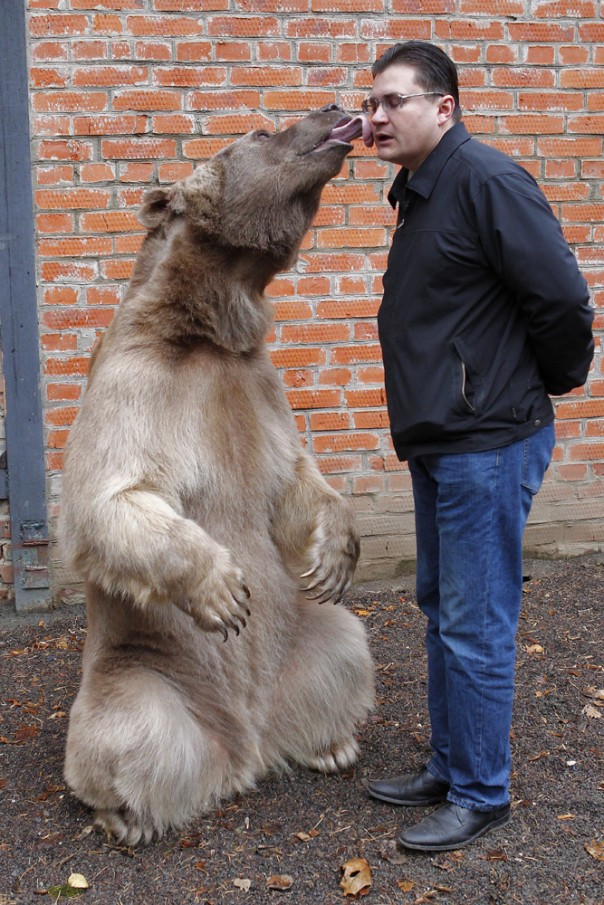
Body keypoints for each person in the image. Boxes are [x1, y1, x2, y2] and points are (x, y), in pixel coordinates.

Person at [362, 41, 594, 852]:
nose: (376, 116)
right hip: (441, 438)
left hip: (486, 442)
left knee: (476, 623)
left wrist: (540, 388)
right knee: (440, 611)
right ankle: (449, 762)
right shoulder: (423, 190)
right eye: (372, 103)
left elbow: (563, 299)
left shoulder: (487, 180)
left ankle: (483, 791)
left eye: (395, 101)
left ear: (445, 108)